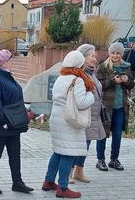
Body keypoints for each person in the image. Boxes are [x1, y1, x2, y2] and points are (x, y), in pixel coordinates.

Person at [42, 51, 94, 198]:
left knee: (58, 152)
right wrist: (91, 95)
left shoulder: (61, 77)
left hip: (57, 119)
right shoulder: (77, 80)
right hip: (69, 122)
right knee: (68, 154)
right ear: (79, 64)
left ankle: (48, 181)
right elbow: (82, 103)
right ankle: (63, 188)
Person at [0, 49, 33, 195]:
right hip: (0, 125)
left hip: (13, 123)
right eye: (10, 60)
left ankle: (17, 182)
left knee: (15, 154)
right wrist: (4, 122)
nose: (12, 62)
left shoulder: (6, 76)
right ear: (3, 63)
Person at [71, 44, 106, 182]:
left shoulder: (91, 72)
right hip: (84, 114)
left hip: (94, 115)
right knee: (79, 145)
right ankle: (70, 171)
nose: (95, 59)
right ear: (83, 57)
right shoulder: (80, 73)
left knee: (86, 144)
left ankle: (79, 171)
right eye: (92, 56)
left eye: (95, 56)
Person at [96, 42, 134, 171]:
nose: (115, 55)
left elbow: (130, 85)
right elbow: (98, 85)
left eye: (118, 53)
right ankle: (100, 160)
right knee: (103, 134)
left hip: (120, 107)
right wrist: (113, 81)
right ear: (109, 53)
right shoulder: (103, 66)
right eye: (113, 53)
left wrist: (126, 80)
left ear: (122, 54)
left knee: (117, 134)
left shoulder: (126, 67)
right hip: (106, 106)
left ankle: (114, 159)